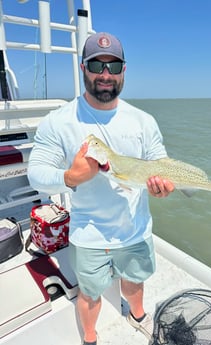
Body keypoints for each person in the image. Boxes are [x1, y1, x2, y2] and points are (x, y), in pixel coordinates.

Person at [28, 32, 174, 345]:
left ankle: (137, 316)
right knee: (90, 292)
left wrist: (162, 184)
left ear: (124, 70)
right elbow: (36, 174)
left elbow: (159, 160)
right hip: (88, 234)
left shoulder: (144, 121)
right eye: (97, 64)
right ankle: (90, 338)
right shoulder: (59, 121)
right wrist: (70, 177)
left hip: (136, 229)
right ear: (83, 68)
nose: (105, 74)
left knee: (134, 280)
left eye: (113, 66)